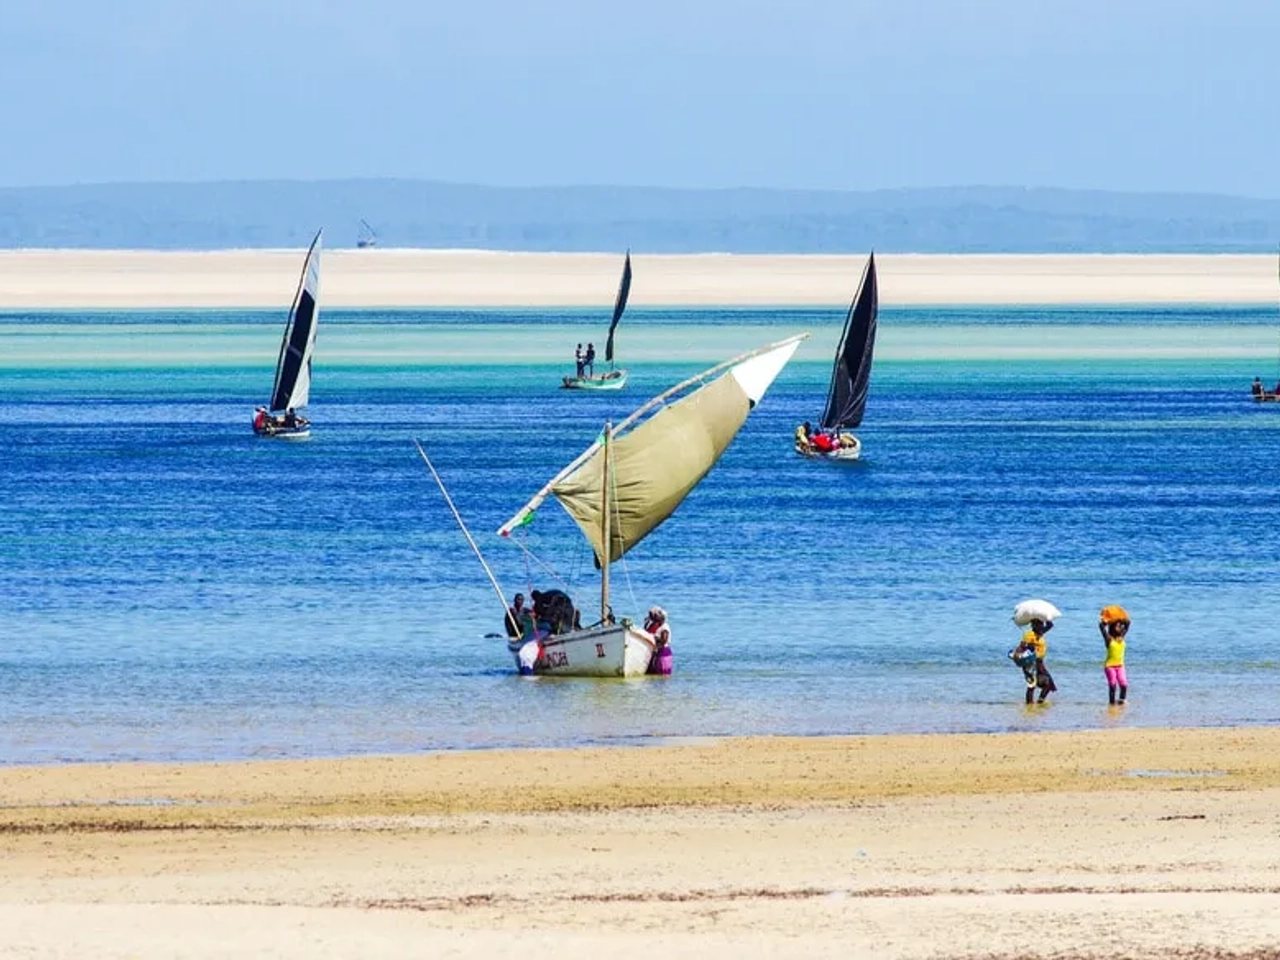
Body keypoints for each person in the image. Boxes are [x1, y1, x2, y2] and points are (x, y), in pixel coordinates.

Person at [1017, 617, 1057, 705]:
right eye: (1040, 625)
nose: (1042, 627)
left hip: (1040, 663)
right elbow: (1022, 647)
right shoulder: (1029, 635)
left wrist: (1046, 616)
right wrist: (1022, 651)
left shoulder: (1040, 633)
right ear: (1034, 626)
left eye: (1042, 625)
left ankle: (1040, 702)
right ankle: (1029, 705)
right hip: (1031, 663)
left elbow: (1050, 625)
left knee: (1048, 684)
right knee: (1032, 685)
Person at [1099, 605, 1130, 705]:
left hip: (1120, 666)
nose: (1120, 626)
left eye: (1120, 625)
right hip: (1110, 666)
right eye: (1117, 625)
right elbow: (1101, 627)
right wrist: (1105, 621)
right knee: (1113, 685)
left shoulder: (1122, 637)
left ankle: (1121, 701)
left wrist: (1122, 618)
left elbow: (1128, 623)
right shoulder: (1109, 639)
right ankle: (1111, 704)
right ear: (1112, 627)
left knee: (1124, 684)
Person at [644, 606, 673, 675]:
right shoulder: (658, 626)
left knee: (662, 673)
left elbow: (664, 640)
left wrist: (655, 638)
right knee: (657, 673)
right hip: (659, 652)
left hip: (663, 652)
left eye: (656, 616)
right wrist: (646, 624)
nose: (654, 617)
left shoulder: (664, 627)